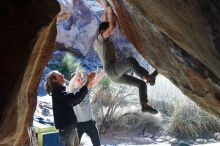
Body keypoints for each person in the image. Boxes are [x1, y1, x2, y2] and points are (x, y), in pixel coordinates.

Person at [94, 0, 158, 114]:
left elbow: (107, 23)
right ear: (102, 32)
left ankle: (144, 105)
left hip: (114, 76)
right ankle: (148, 77)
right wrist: (109, 9)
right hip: (112, 70)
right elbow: (112, 26)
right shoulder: (99, 39)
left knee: (141, 84)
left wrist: (105, 7)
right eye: (106, 31)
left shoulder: (102, 40)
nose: (110, 33)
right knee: (130, 61)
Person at [45, 70, 95, 146]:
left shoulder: (60, 93)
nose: (63, 75)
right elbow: (75, 98)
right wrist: (87, 82)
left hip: (70, 128)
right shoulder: (58, 93)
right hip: (66, 130)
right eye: (59, 75)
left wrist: (86, 84)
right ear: (54, 80)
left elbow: (74, 100)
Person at [68, 70, 105, 146]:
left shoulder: (86, 88)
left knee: (97, 144)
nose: (80, 80)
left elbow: (96, 80)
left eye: (81, 78)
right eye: (77, 79)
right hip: (78, 125)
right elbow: (70, 85)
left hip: (90, 123)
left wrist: (105, 69)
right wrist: (75, 75)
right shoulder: (71, 92)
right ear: (73, 81)